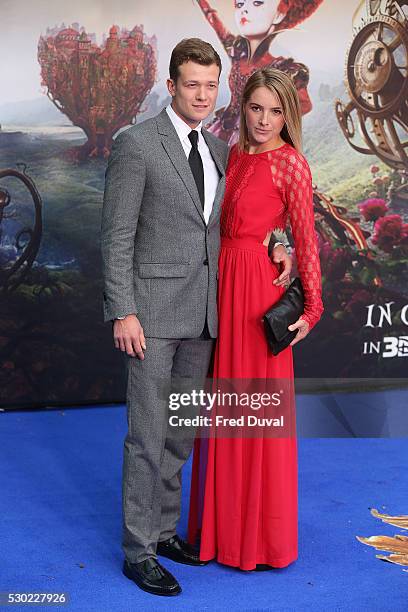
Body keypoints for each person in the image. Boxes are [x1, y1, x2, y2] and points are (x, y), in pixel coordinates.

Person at [101, 39, 291, 596]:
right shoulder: (137, 144)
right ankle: (139, 552)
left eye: (212, 85)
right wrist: (124, 311)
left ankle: (163, 532)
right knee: (146, 435)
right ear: (172, 84)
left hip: (207, 316)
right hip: (152, 316)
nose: (203, 95)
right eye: (192, 84)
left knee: (181, 433)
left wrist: (281, 244)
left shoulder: (218, 149)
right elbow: (116, 235)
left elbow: (247, 221)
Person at [188, 67, 324, 571]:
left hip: (256, 294)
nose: (264, 120)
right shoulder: (231, 153)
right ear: (242, 108)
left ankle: (259, 541)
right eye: (255, 108)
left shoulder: (292, 164)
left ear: (288, 115)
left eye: (275, 110)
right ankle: (220, 532)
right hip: (219, 285)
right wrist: (277, 241)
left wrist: (312, 306)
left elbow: (304, 238)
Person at [194, 0, 323, 145]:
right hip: (221, 128)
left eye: (257, 3)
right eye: (239, 4)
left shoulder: (284, 69)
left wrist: (269, 125)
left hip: (247, 140)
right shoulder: (238, 52)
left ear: (279, 14)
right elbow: (213, 20)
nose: (244, 10)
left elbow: (305, 105)